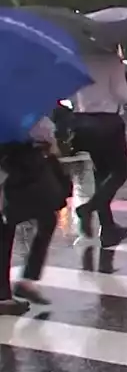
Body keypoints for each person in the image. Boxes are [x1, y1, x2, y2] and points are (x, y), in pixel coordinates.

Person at [0, 117, 69, 311]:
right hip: (17, 169)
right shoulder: (23, 109)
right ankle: (18, 286)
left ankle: (13, 288)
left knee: (10, 228)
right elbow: (45, 131)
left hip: (11, 168)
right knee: (43, 219)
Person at [71, 52, 127, 247]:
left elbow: (71, 94)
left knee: (102, 175)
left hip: (83, 122)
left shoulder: (79, 59)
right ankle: (88, 209)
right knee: (119, 173)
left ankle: (108, 227)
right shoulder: (112, 61)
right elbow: (121, 94)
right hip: (109, 123)